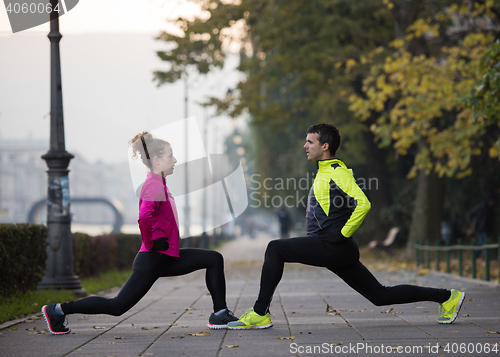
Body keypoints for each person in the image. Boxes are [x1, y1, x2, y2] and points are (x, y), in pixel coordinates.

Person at [228, 123, 465, 330]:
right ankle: (447, 297)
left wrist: (342, 233)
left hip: (333, 245)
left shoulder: (336, 172)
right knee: (380, 296)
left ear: (325, 146)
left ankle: (260, 313)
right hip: (337, 248)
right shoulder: (325, 172)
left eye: (310, 141)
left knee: (275, 248)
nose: (305, 146)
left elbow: (363, 203)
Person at [42, 131, 237, 335]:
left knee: (214, 258)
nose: (175, 160)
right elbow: (144, 217)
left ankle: (220, 313)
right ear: (157, 160)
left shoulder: (159, 183)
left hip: (167, 257)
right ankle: (58, 310)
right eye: (171, 156)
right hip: (152, 258)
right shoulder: (153, 185)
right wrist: (151, 243)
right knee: (117, 307)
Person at [467, 192, 496, 258]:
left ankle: (474, 258)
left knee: (480, 245)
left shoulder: (491, 209)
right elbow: (470, 214)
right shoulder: (480, 207)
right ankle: (490, 261)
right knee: (485, 245)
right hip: (481, 229)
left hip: (487, 230)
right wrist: (471, 222)